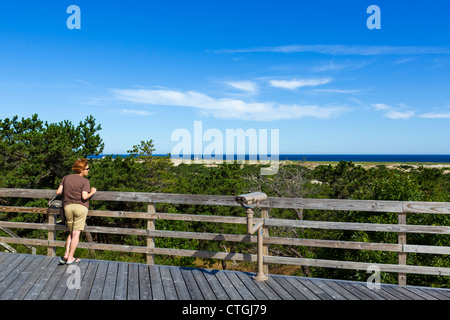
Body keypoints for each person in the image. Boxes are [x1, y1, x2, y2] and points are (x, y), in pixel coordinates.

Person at [56, 158, 97, 264]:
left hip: (68, 207)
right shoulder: (85, 181)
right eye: (87, 168)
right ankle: (70, 258)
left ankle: (66, 254)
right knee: (76, 234)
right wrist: (93, 191)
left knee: (71, 232)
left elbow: (58, 191)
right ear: (81, 170)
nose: (88, 170)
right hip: (80, 208)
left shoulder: (66, 178)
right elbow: (84, 196)